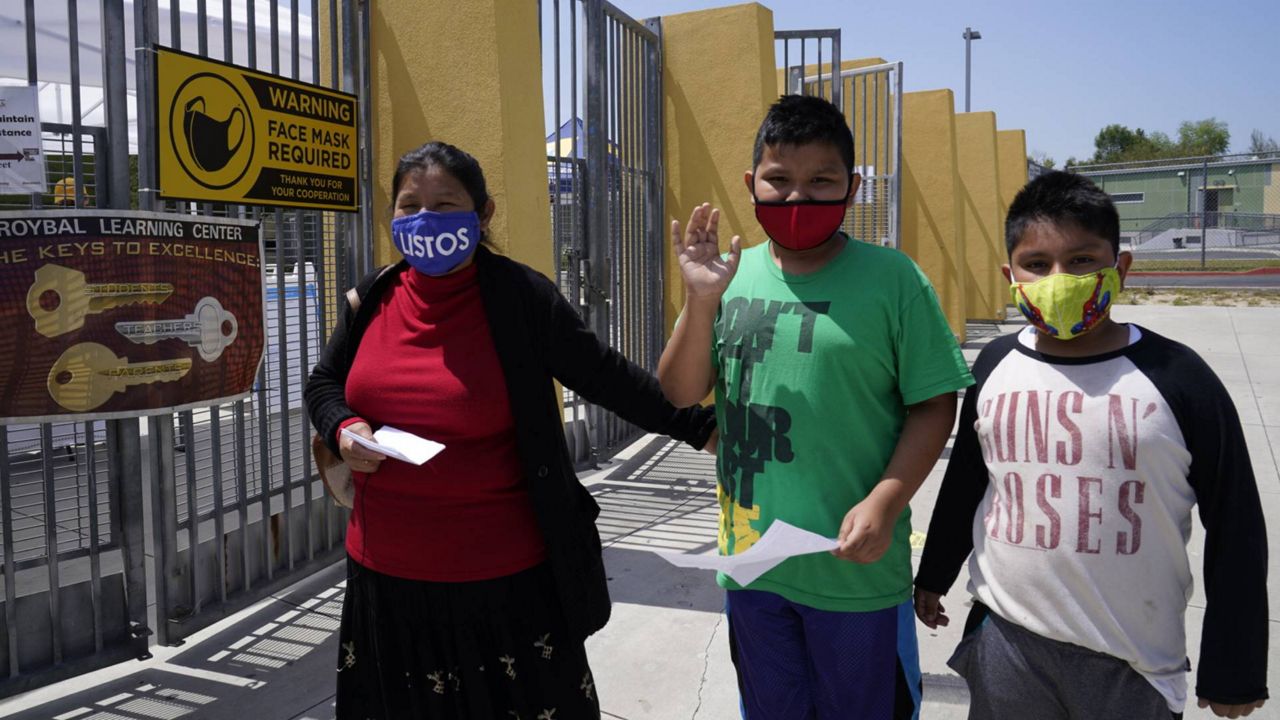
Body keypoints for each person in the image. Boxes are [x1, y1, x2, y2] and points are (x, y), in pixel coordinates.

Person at [305, 141, 717, 720]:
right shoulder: (369, 298)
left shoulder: (523, 300)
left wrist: (705, 430)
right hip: (386, 587)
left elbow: (608, 379)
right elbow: (323, 382)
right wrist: (344, 426)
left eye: (445, 204)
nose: (425, 218)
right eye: (409, 205)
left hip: (506, 590)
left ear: (484, 213)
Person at [657, 94, 973, 719]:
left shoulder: (894, 280)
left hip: (854, 573)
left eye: (821, 181)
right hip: (751, 569)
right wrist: (698, 301)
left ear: (852, 189)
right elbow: (680, 392)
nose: (798, 199)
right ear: (752, 184)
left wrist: (887, 501)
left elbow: (936, 405)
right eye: (780, 181)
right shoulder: (729, 274)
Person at [913, 170, 1269, 719]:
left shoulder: (1179, 377)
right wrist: (935, 573)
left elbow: (1237, 523)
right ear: (1012, 275)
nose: (1059, 279)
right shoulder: (994, 365)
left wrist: (1235, 666)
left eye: (1081, 261)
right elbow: (969, 482)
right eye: (1037, 264)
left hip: (1133, 664)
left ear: (1119, 267)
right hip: (1009, 645)